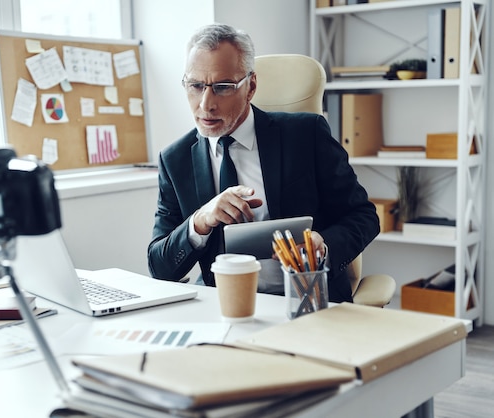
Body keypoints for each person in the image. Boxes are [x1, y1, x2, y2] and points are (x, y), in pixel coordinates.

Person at [147, 23, 380, 303]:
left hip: (306, 300)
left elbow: (364, 217)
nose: (205, 105)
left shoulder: (306, 134)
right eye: (196, 86)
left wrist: (324, 245)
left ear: (251, 87)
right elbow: (160, 268)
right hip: (225, 306)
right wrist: (199, 222)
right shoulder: (175, 159)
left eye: (222, 87)